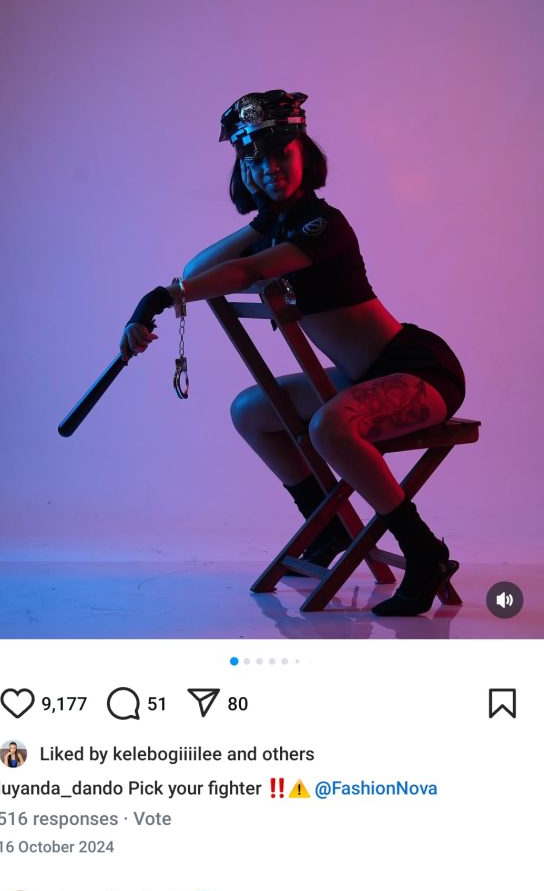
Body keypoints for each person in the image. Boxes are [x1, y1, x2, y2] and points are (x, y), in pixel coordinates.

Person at [120, 90, 466, 617]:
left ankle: (424, 552)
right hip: (359, 377)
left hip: (419, 371)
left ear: (306, 152)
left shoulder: (322, 225)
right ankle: (327, 527)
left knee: (331, 428)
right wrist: (257, 222)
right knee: (250, 411)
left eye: (281, 153)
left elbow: (248, 271)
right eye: (254, 160)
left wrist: (163, 298)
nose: (270, 168)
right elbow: (196, 272)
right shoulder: (274, 228)